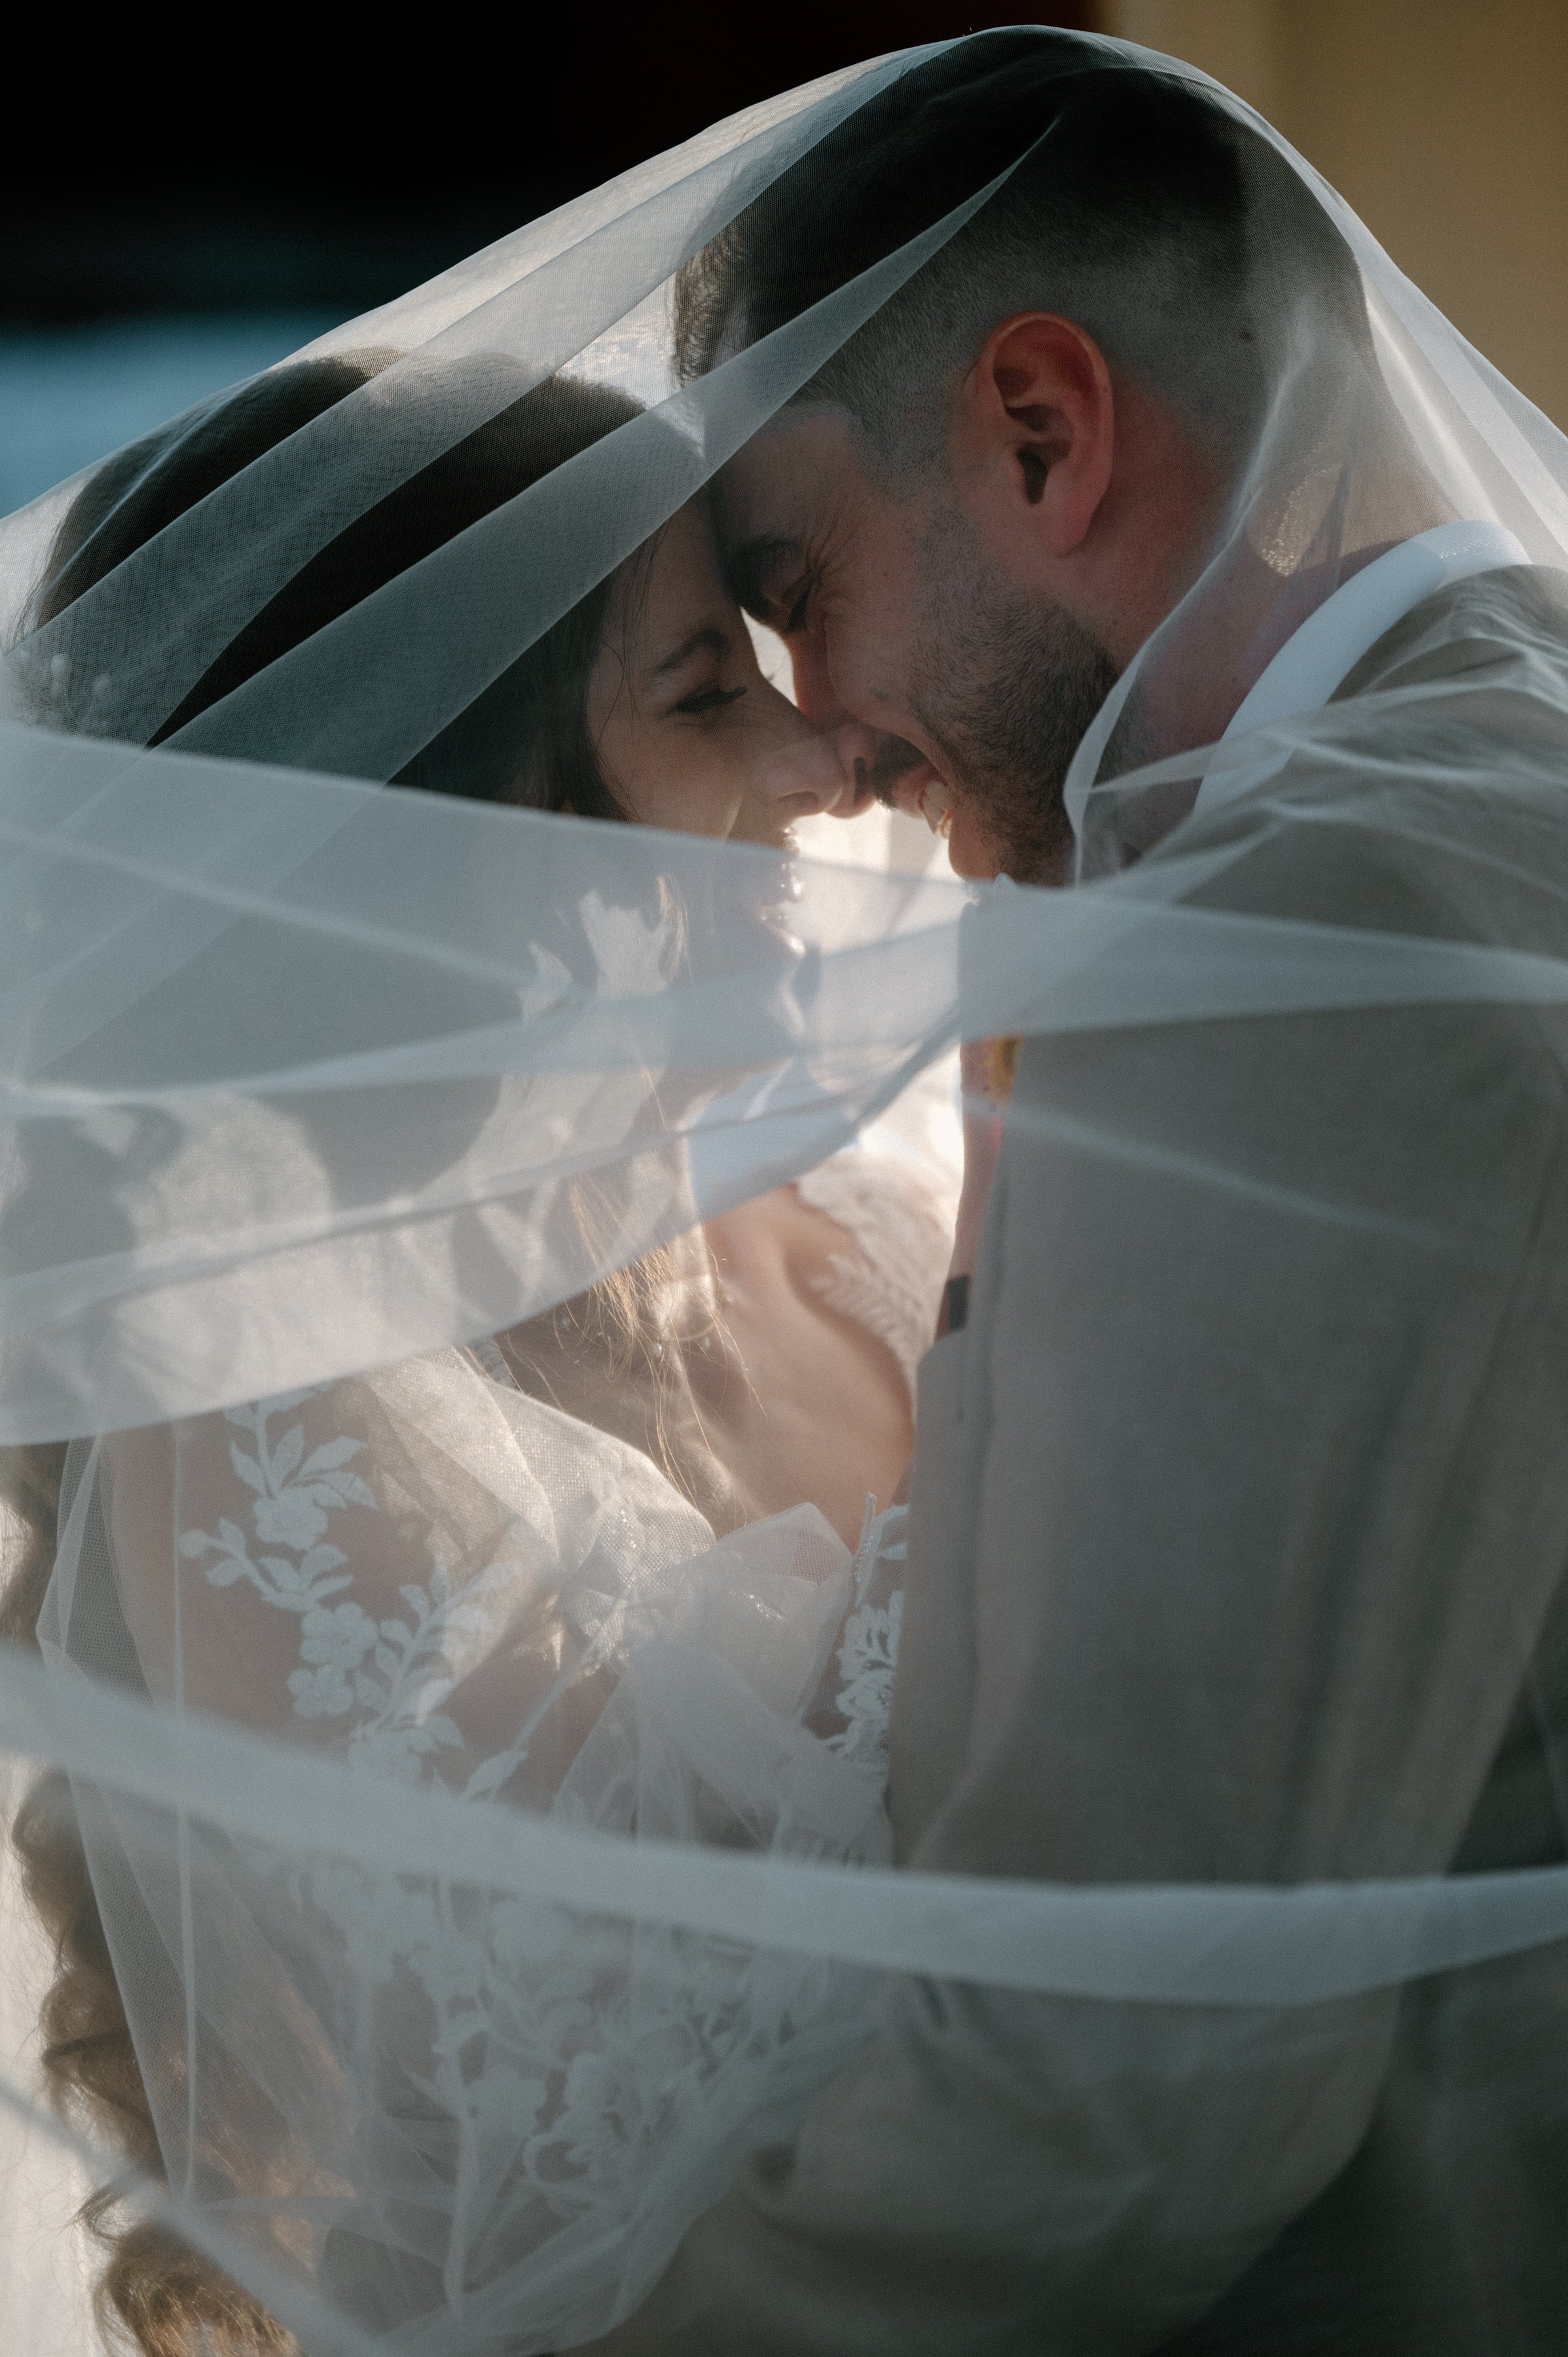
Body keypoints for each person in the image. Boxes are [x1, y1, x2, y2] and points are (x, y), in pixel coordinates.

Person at [581, 33, 1568, 2355]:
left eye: (796, 583)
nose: (821, 741)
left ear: (1040, 432)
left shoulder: (1282, 956)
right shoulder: (1508, 746)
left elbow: (1123, 2081)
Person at [0, 350, 949, 2353]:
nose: (820, 767)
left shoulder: (881, 1225)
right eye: (703, 696)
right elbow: (610, 2119)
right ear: (435, 845)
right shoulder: (272, 1411)